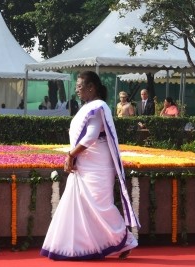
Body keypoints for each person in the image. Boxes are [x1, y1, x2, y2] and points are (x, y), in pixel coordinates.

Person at [41, 71, 139, 261]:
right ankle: (81, 247)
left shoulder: (98, 106)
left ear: (91, 87)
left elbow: (91, 136)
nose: (77, 90)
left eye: (79, 87)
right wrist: (73, 156)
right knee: (82, 207)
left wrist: (70, 155)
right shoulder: (88, 107)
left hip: (98, 165)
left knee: (101, 207)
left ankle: (125, 239)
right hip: (86, 164)